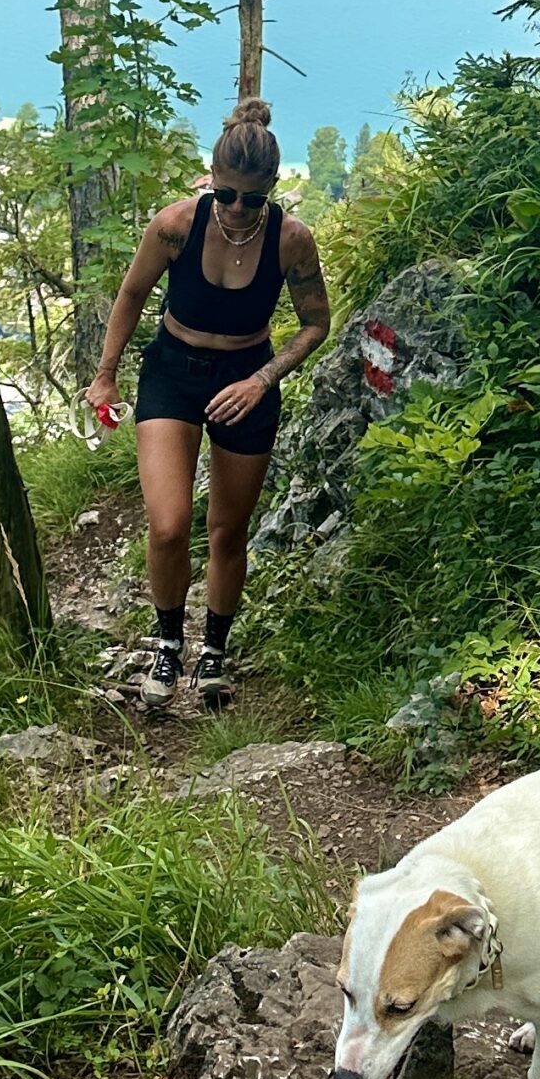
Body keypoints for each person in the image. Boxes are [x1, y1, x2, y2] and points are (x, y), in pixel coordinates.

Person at [86, 100, 333, 710]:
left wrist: (262, 379)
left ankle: (214, 654)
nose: (236, 209)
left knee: (228, 531)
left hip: (246, 378)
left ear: (271, 190)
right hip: (173, 371)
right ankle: (169, 644)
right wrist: (105, 376)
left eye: (251, 199)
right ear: (210, 180)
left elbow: (315, 324)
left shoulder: (291, 241)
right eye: (225, 195)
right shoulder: (174, 225)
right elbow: (133, 292)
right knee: (168, 524)